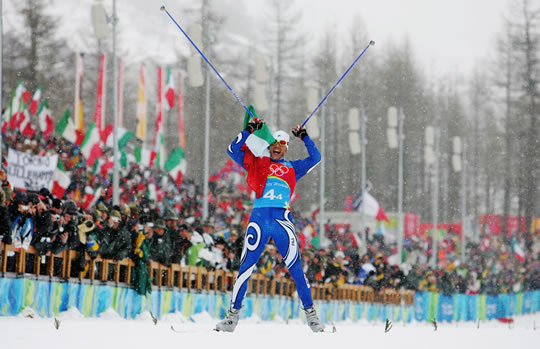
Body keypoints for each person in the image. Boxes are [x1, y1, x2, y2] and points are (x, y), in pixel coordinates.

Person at [216, 119, 323, 332]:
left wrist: (304, 137)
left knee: (296, 269)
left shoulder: (293, 167)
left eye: (282, 143)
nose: (277, 146)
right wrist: (249, 130)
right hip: (259, 219)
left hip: (282, 219)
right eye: (274, 142)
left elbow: (316, 158)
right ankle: (232, 317)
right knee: (246, 267)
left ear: (286, 148)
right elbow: (232, 149)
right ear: (268, 145)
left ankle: (311, 315)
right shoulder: (256, 162)